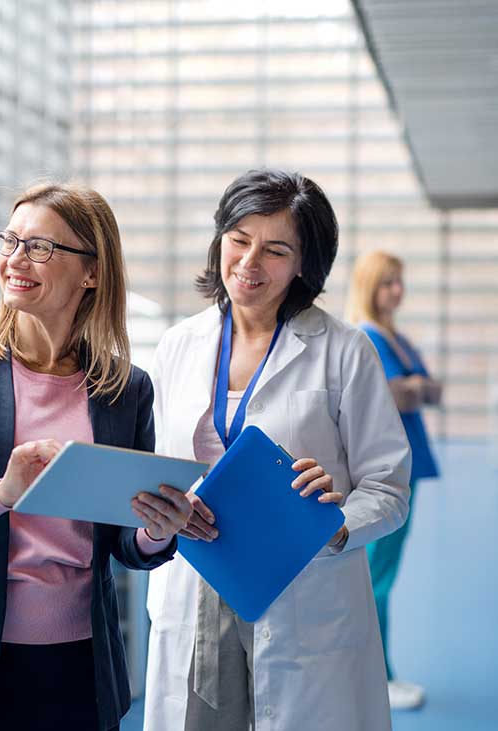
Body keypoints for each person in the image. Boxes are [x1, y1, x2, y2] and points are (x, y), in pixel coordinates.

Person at [0, 182, 193, 731]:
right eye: (10, 241)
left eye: (41, 247)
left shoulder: (125, 389)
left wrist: (157, 530)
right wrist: (2, 493)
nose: (16, 260)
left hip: (78, 666)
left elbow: (124, 542)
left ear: (91, 271)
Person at [142, 169, 412, 731]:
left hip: (303, 583)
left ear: (304, 264)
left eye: (276, 249)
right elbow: (158, 463)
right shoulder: (178, 345)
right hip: (199, 582)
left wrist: (335, 523)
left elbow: (388, 488)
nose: (249, 261)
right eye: (239, 240)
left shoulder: (344, 351)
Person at [346, 250, 441, 710]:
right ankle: (378, 674)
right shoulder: (367, 337)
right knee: (377, 577)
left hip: (410, 467)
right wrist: (414, 389)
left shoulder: (395, 338)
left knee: (383, 572)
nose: (397, 291)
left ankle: (375, 668)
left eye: (400, 282)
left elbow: (426, 389)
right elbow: (390, 395)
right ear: (370, 286)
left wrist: (415, 389)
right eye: (388, 283)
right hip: (388, 472)